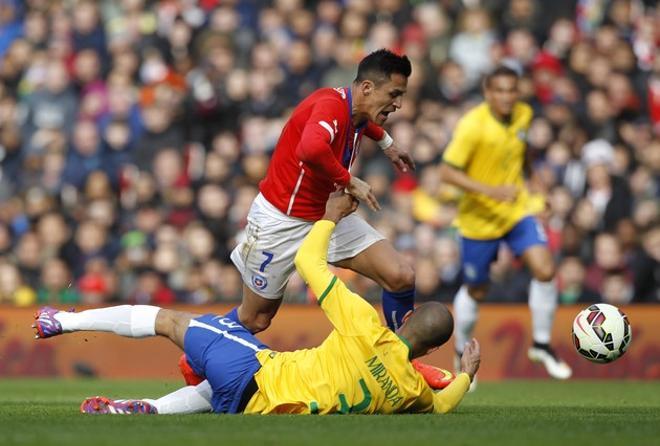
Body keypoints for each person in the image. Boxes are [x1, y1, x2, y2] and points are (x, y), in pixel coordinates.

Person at [33, 192, 481, 415]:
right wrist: (465, 375)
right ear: (428, 351)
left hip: (254, 372)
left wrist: (328, 217)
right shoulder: (410, 390)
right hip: (253, 405)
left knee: (169, 320)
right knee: (214, 386)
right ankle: (147, 409)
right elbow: (443, 405)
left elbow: (307, 261)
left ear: (408, 318)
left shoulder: (367, 326)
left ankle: (64, 322)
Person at [439, 65, 572, 384]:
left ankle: (541, 344)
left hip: (516, 210)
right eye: (498, 90)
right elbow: (447, 172)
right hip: (478, 217)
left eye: (511, 90)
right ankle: (461, 350)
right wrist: (492, 191)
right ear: (487, 93)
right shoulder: (472, 126)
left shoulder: (524, 115)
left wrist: (539, 187)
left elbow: (522, 155)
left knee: (545, 269)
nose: (506, 96)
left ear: (518, 92)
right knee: (478, 288)